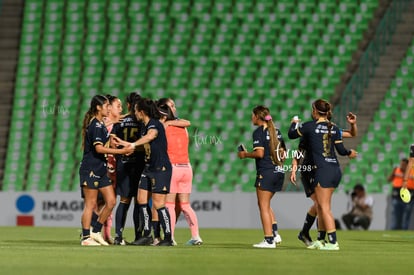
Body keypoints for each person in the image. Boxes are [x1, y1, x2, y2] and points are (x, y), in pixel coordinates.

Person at [288, 99, 357, 251]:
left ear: (314, 110)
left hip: (320, 170)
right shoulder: (333, 128)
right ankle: (319, 239)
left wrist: (294, 122)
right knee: (321, 206)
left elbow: (292, 135)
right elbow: (341, 149)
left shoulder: (308, 127)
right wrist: (294, 168)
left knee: (323, 207)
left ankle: (331, 241)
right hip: (329, 169)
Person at [115, 97, 173, 246]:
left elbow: (150, 136)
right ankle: (146, 235)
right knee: (141, 200)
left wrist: (132, 144)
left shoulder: (154, 124)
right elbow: (146, 144)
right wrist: (127, 146)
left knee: (159, 204)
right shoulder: (143, 125)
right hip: (148, 168)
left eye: (135, 111)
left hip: (160, 168)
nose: (134, 113)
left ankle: (167, 237)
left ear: (141, 112)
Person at [79, 95, 134, 246]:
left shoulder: (101, 124)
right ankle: (85, 238)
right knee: (90, 204)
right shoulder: (96, 125)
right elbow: (98, 148)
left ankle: (95, 231)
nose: (108, 108)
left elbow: (109, 133)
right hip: (91, 168)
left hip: (100, 168)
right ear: (98, 108)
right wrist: (121, 152)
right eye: (106, 106)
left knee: (110, 201)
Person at [238, 105, 286, 249]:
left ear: (257, 117)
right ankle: (275, 234)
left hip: (266, 172)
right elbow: (283, 154)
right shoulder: (276, 131)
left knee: (263, 206)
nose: (251, 117)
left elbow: (259, 153)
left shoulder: (259, 132)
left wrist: (244, 154)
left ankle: (269, 240)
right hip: (279, 171)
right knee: (265, 204)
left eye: (252, 115)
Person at [158, 98, 203, 246]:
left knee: (170, 205)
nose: (174, 108)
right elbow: (187, 122)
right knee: (185, 205)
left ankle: (170, 237)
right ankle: (196, 236)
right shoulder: (182, 125)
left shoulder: (162, 126)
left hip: (173, 168)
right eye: (172, 106)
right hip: (187, 168)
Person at [111, 92, 146, 245]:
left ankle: (118, 236)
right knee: (139, 201)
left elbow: (112, 142)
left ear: (129, 105)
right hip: (139, 164)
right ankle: (139, 236)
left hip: (123, 163)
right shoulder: (142, 121)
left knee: (124, 200)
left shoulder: (120, 121)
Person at [389, 156, 414, 229]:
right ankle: (394, 229)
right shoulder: (396, 170)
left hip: (409, 198)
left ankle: (404, 230)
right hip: (396, 197)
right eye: (401, 164)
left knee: (406, 216)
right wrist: (392, 173)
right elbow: (389, 180)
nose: (401, 166)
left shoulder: (412, 172)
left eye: (403, 165)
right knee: (396, 215)